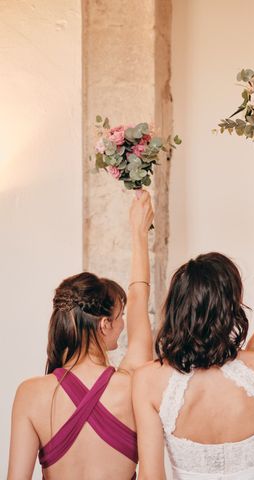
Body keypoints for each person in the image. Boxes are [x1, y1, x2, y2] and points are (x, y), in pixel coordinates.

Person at [132, 158, 254, 480]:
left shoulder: (149, 382)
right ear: (232, 308)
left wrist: (139, 234)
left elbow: (151, 476)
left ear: (177, 309)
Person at [8, 191, 155, 480]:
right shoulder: (134, 386)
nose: (124, 323)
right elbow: (140, 296)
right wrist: (138, 233)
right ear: (104, 324)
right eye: (120, 316)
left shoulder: (30, 394)